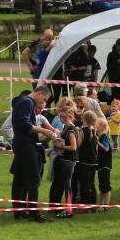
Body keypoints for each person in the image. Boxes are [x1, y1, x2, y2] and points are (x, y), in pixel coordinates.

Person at [10, 85, 54, 223]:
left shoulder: (21, 100)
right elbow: (24, 123)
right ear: (40, 93)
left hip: (19, 143)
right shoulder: (28, 102)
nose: (43, 102)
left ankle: (19, 211)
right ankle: (34, 213)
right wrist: (43, 130)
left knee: (20, 178)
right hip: (26, 144)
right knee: (34, 179)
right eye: (44, 99)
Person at [49, 107, 79, 219]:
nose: (61, 119)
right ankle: (62, 207)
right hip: (64, 159)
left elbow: (74, 147)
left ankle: (69, 210)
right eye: (60, 117)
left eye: (64, 117)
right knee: (63, 184)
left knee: (67, 185)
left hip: (69, 161)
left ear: (70, 116)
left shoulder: (71, 130)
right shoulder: (65, 127)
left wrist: (61, 146)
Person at [73, 110, 99, 210]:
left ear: (84, 119)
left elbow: (77, 145)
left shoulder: (82, 131)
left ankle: (86, 205)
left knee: (84, 184)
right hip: (93, 161)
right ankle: (93, 204)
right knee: (91, 183)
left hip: (84, 161)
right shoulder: (94, 130)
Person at [94, 117, 113, 211]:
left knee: (106, 185)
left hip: (105, 165)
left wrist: (97, 142)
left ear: (101, 127)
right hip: (101, 165)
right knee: (101, 186)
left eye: (96, 125)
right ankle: (100, 204)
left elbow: (106, 148)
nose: (94, 127)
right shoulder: (100, 137)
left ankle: (106, 205)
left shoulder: (104, 136)